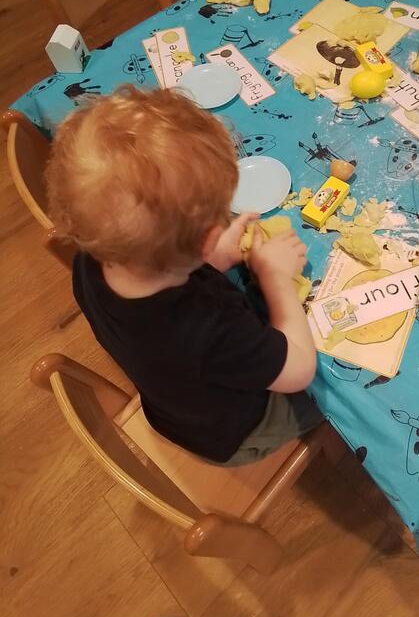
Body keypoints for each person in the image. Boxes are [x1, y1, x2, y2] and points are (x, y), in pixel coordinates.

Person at [47, 85, 322, 465]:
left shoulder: (92, 258)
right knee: (329, 398)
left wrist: (212, 260)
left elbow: (154, 269)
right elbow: (299, 370)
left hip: (177, 410)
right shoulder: (210, 326)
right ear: (209, 240)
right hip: (237, 432)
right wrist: (274, 277)